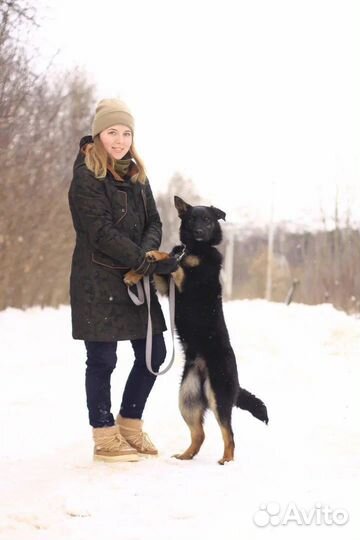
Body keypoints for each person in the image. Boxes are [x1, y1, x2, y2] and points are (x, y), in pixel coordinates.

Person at [68, 98, 178, 462]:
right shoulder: (86, 175)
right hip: (97, 280)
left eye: (126, 133)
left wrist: (145, 259)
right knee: (102, 358)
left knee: (153, 354)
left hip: (136, 278)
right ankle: (103, 435)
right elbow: (98, 231)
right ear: (99, 134)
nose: (119, 140)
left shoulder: (137, 174)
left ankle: (130, 422)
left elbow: (154, 224)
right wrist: (142, 260)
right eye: (112, 132)